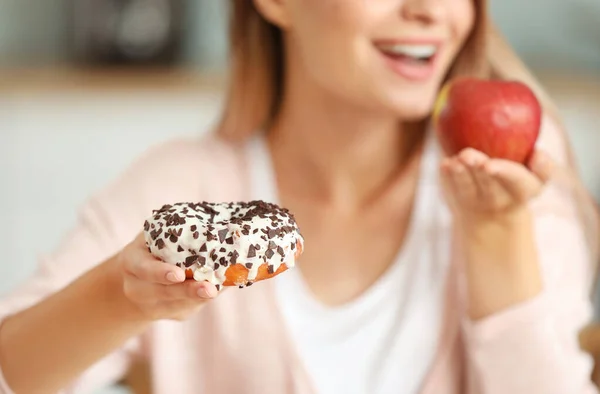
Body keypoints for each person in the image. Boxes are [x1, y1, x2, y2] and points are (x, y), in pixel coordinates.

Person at [0, 0, 598, 393]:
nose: (430, 11)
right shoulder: (181, 187)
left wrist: (496, 231)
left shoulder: (518, 180)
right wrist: (124, 296)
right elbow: (13, 369)